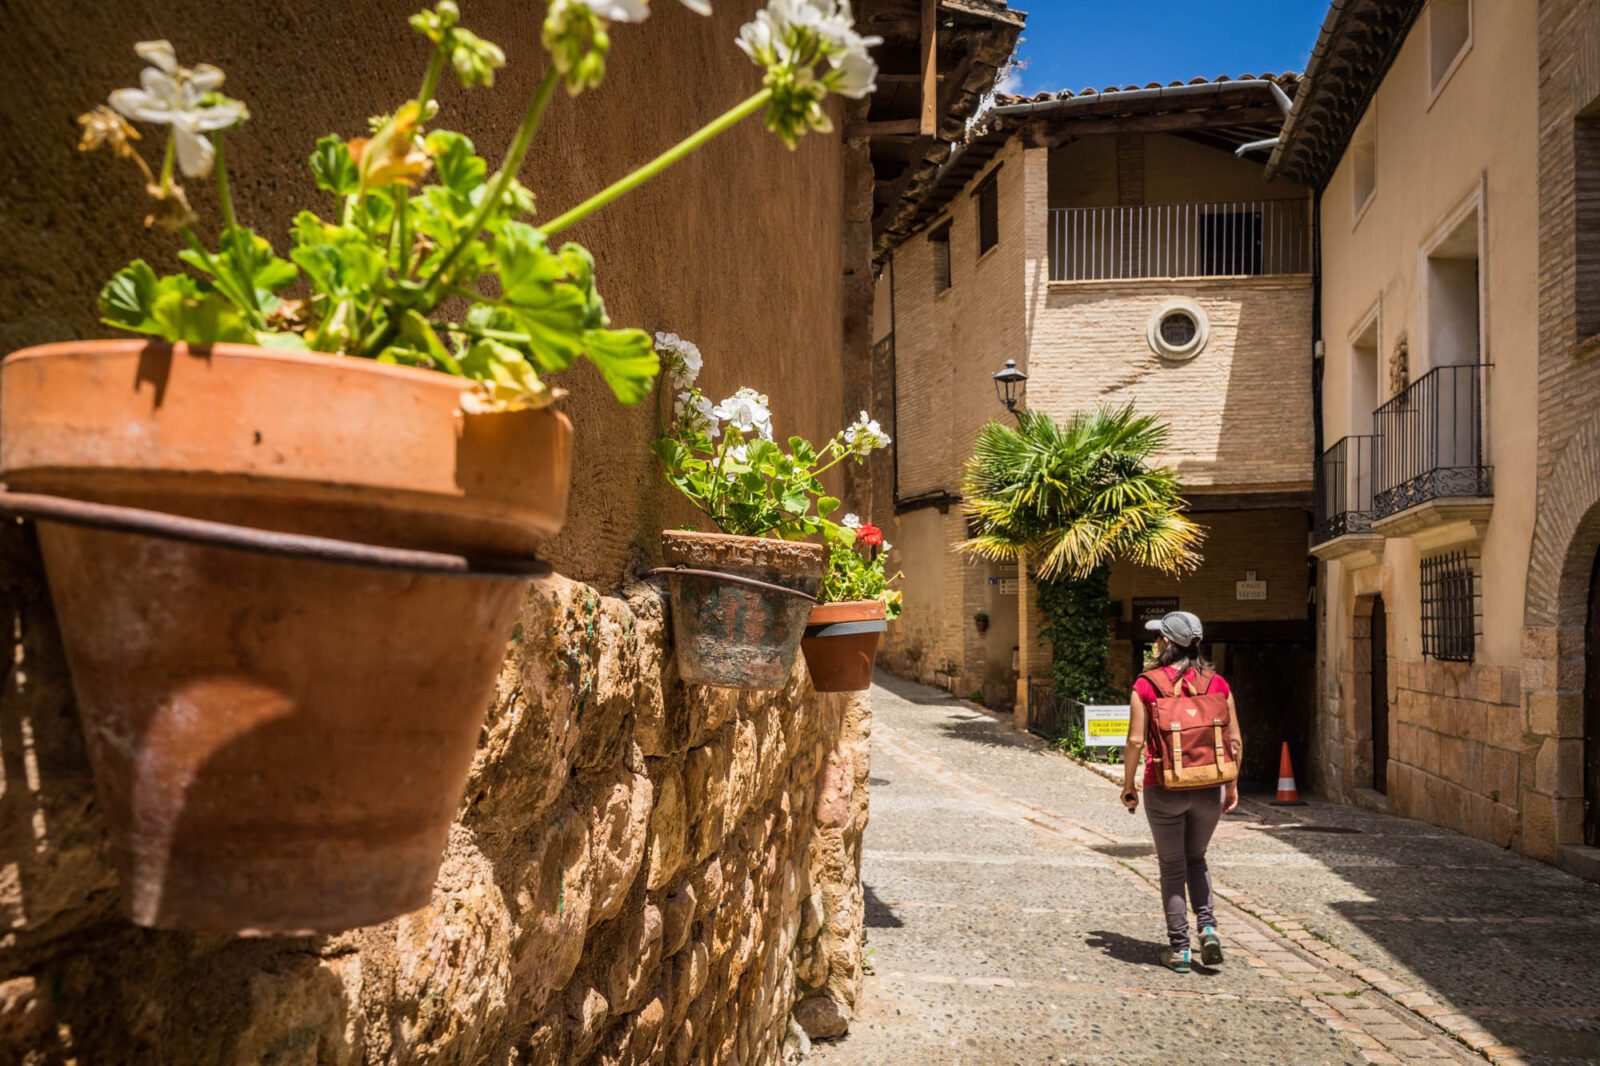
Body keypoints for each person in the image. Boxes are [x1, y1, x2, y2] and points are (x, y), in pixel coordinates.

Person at [1119, 610, 1243, 974]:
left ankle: (1180, 950)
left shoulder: (1146, 684)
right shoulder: (1218, 683)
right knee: (1197, 859)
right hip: (1210, 785)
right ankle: (1208, 929)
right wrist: (1231, 785)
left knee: (1172, 866)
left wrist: (1129, 785)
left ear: (1166, 643)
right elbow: (1234, 739)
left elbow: (1135, 740)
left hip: (1165, 786)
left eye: (1159, 636)